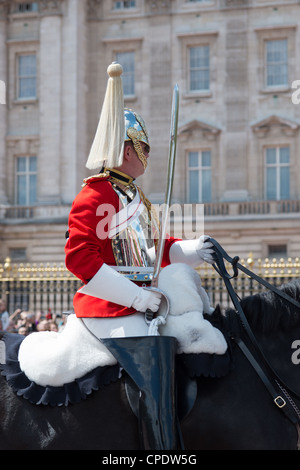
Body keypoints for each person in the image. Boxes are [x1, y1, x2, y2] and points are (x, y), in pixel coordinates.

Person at [65, 63, 216, 450]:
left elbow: (154, 251)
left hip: (141, 303)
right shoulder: (95, 195)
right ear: (128, 148)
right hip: (109, 307)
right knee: (155, 361)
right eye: (144, 147)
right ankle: (160, 449)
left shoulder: (135, 198)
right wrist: (137, 296)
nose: (148, 155)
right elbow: (80, 259)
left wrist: (194, 250)